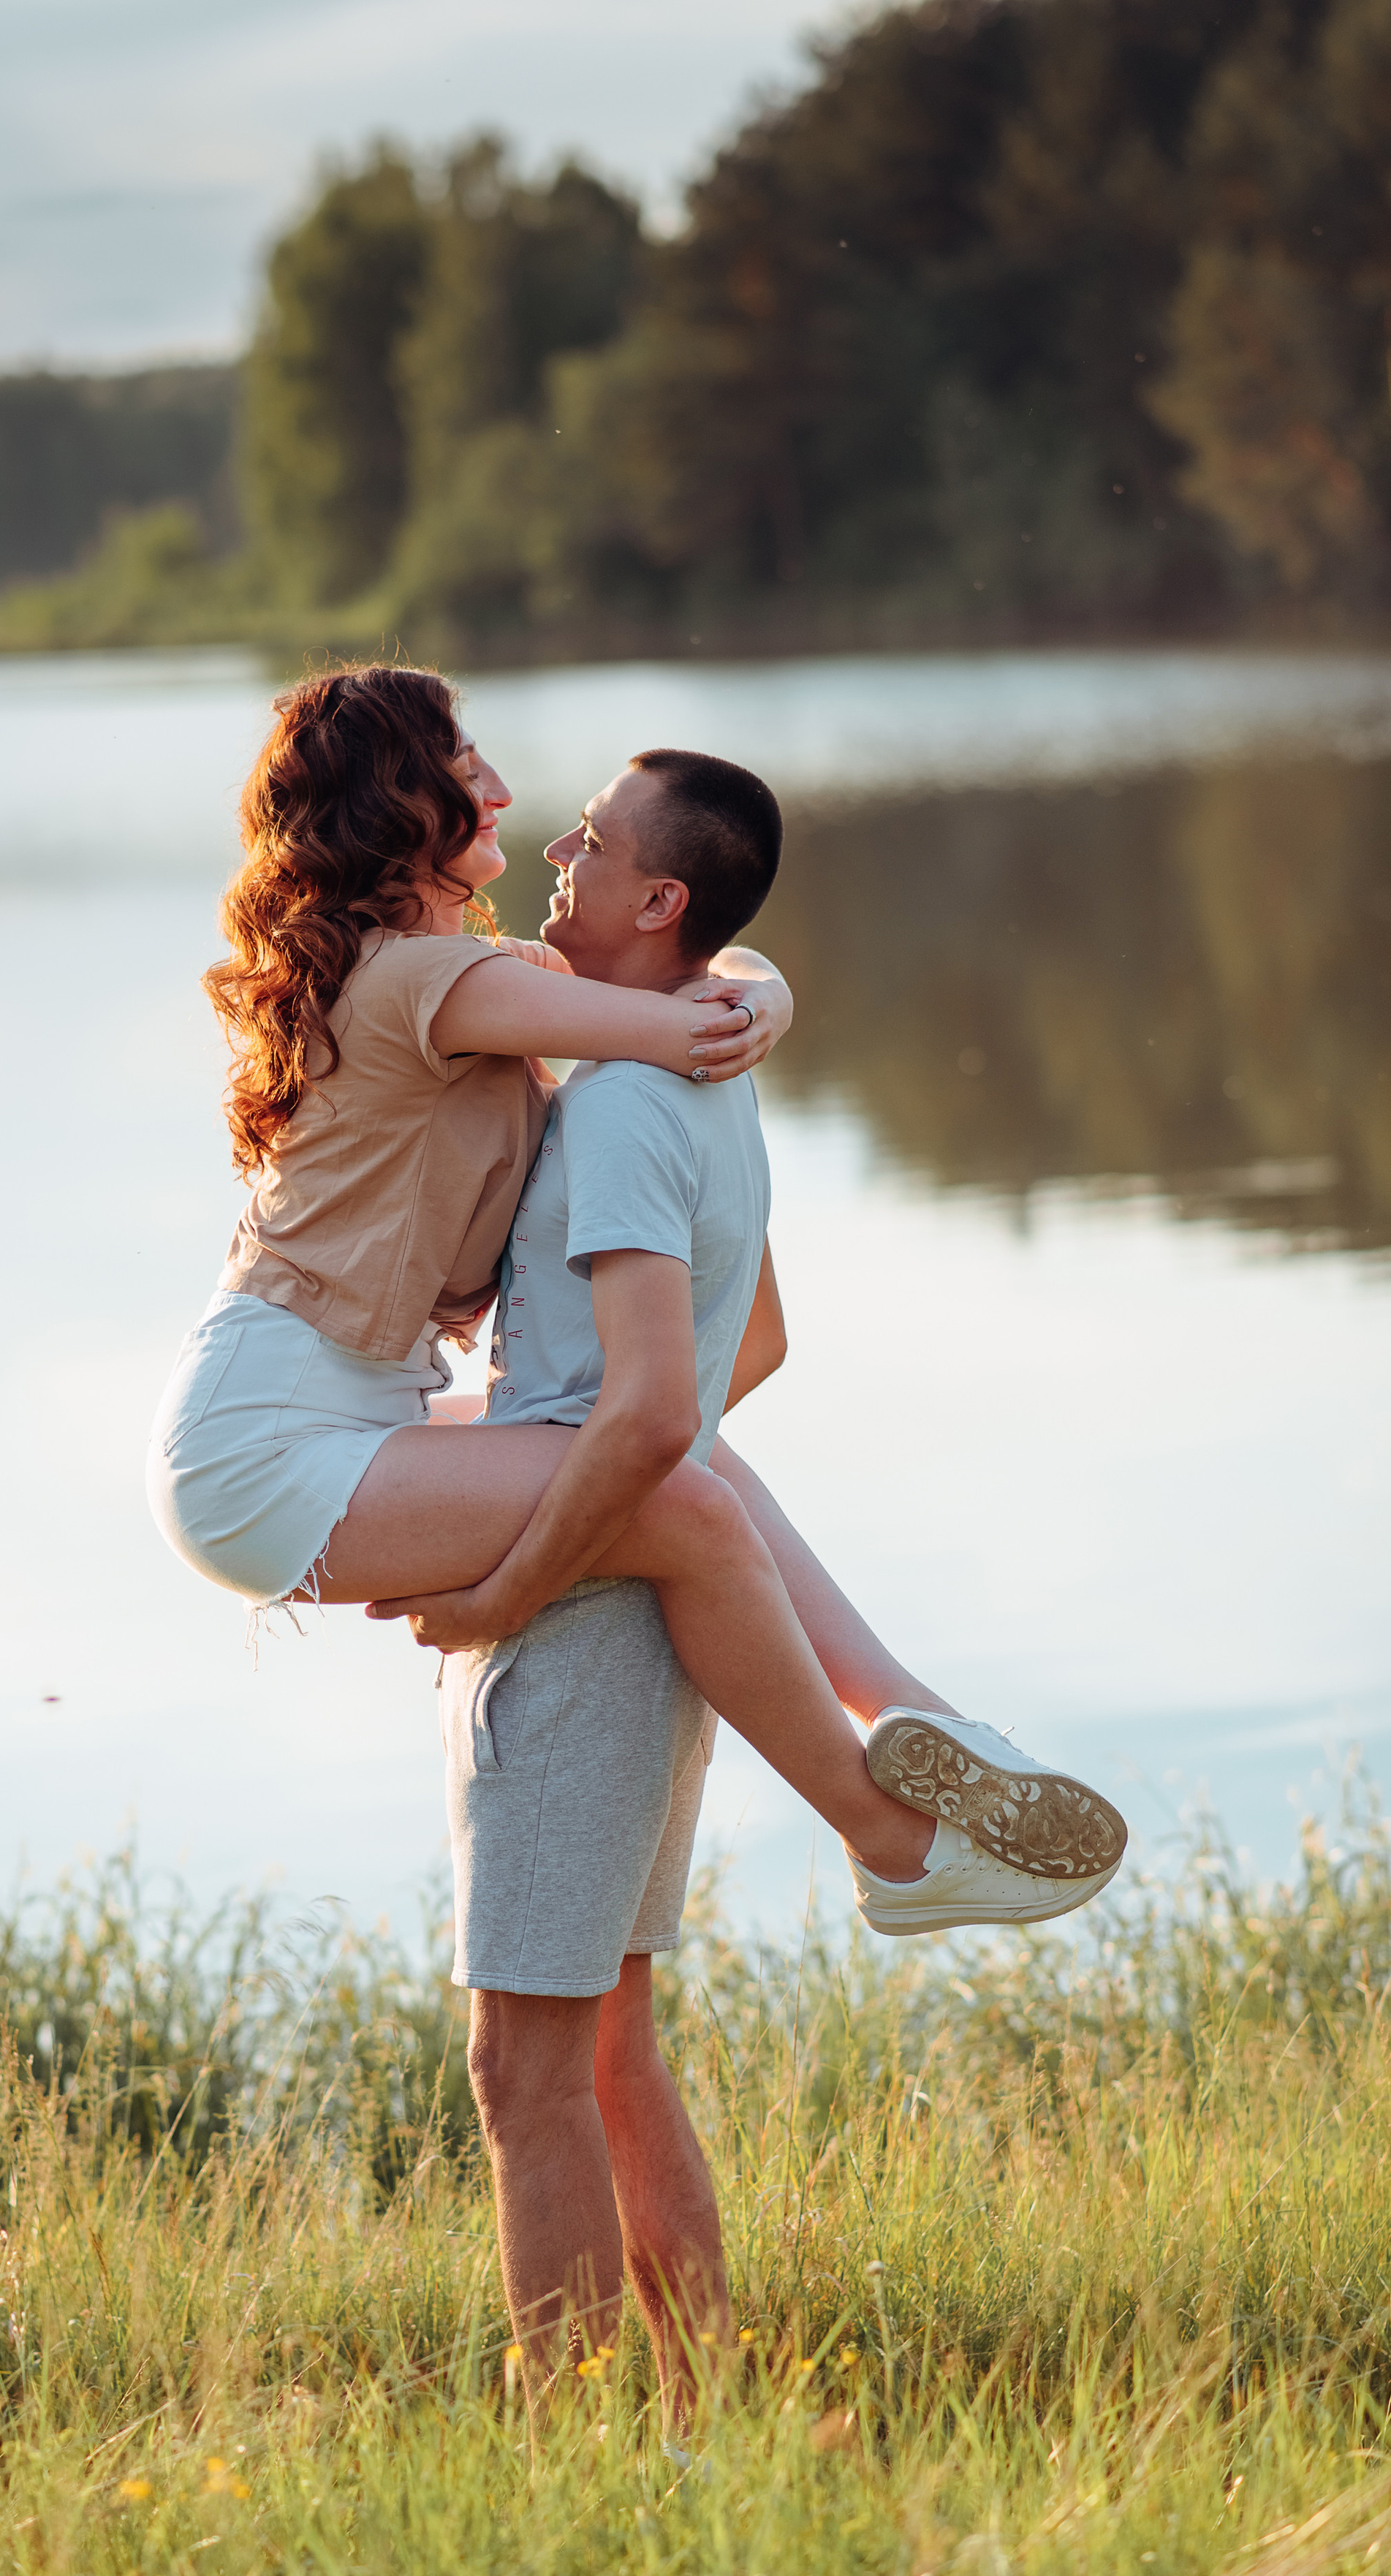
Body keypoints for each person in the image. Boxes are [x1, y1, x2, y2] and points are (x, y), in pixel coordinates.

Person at [148, 662, 1128, 1903]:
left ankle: (920, 1718)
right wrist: (760, 1001)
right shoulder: (422, 982)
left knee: (702, 1462)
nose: (503, 791)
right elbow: (684, 1018)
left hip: (345, 1411)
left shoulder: (472, 981)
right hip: (261, 1445)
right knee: (683, 1500)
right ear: (398, 798)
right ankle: (895, 1847)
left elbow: (696, 981)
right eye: (465, 766)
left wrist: (754, 987)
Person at [437, 746, 1122, 2425]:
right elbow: (759, 1341)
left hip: (578, 1621)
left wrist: (511, 1570)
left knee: (522, 2075)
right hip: (665, 1612)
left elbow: (650, 1408)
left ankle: (571, 2467)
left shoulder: (615, 1103)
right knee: (610, 2053)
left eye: (592, 842)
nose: (558, 850)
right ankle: (693, 2424)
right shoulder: (702, 1066)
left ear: (657, 898)